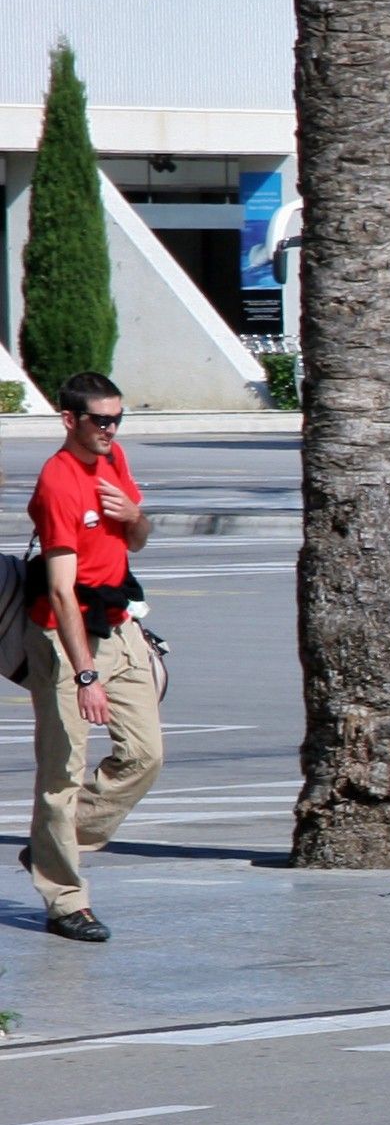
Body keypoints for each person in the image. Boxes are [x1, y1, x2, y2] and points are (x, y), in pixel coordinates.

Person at [20, 374, 162, 944]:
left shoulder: (114, 459)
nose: (110, 430)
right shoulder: (57, 483)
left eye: (117, 420)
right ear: (69, 420)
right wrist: (85, 675)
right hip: (63, 635)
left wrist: (132, 515)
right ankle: (66, 900)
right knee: (62, 773)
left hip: (118, 623)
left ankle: (53, 844)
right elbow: (58, 592)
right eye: (100, 421)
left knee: (146, 755)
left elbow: (140, 539)